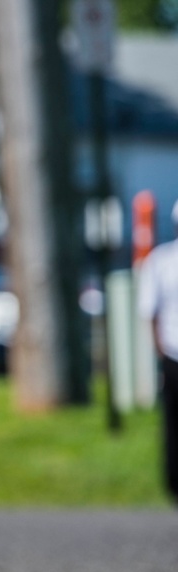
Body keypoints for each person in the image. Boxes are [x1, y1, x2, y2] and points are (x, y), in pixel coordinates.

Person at [138, 201, 178, 502]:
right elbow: (150, 313)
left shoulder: (161, 260)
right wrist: (160, 353)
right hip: (173, 354)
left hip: (171, 353)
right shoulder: (161, 260)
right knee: (173, 424)